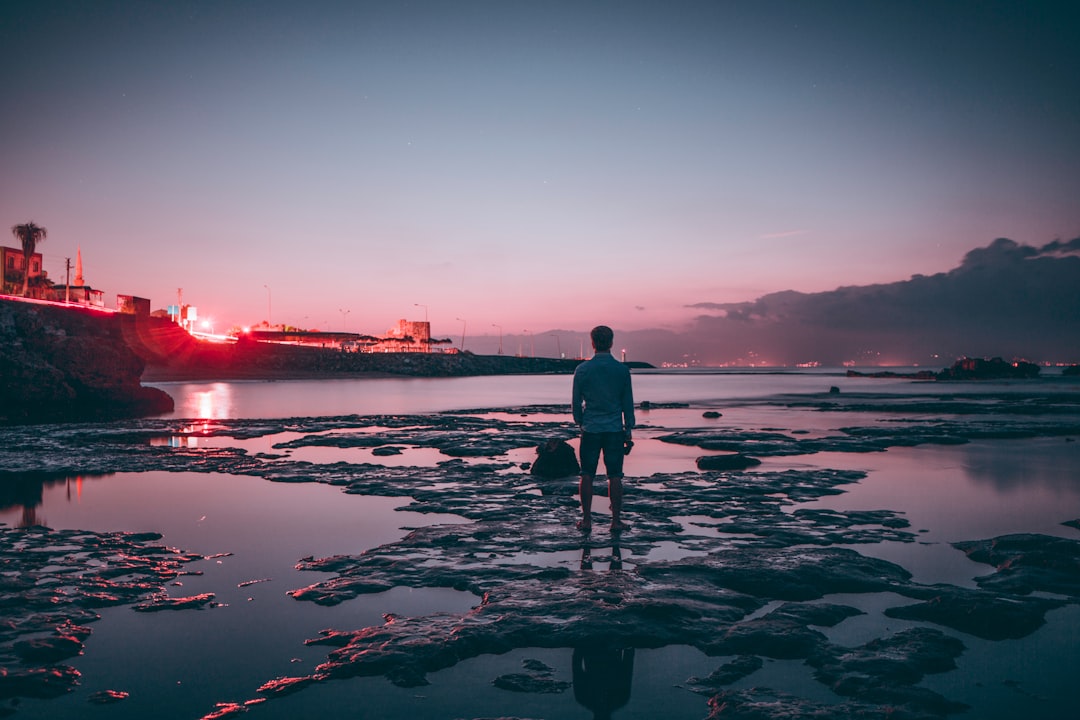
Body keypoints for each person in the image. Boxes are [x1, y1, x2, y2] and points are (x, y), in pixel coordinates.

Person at [572, 325, 635, 532]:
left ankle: (587, 520)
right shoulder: (622, 370)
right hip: (614, 429)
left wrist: (580, 422)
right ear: (611, 343)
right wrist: (629, 429)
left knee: (587, 474)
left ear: (592, 343)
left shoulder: (582, 370)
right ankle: (615, 521)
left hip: (590, 428)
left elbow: (575, 403)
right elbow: (628, 403)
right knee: (615, 475)